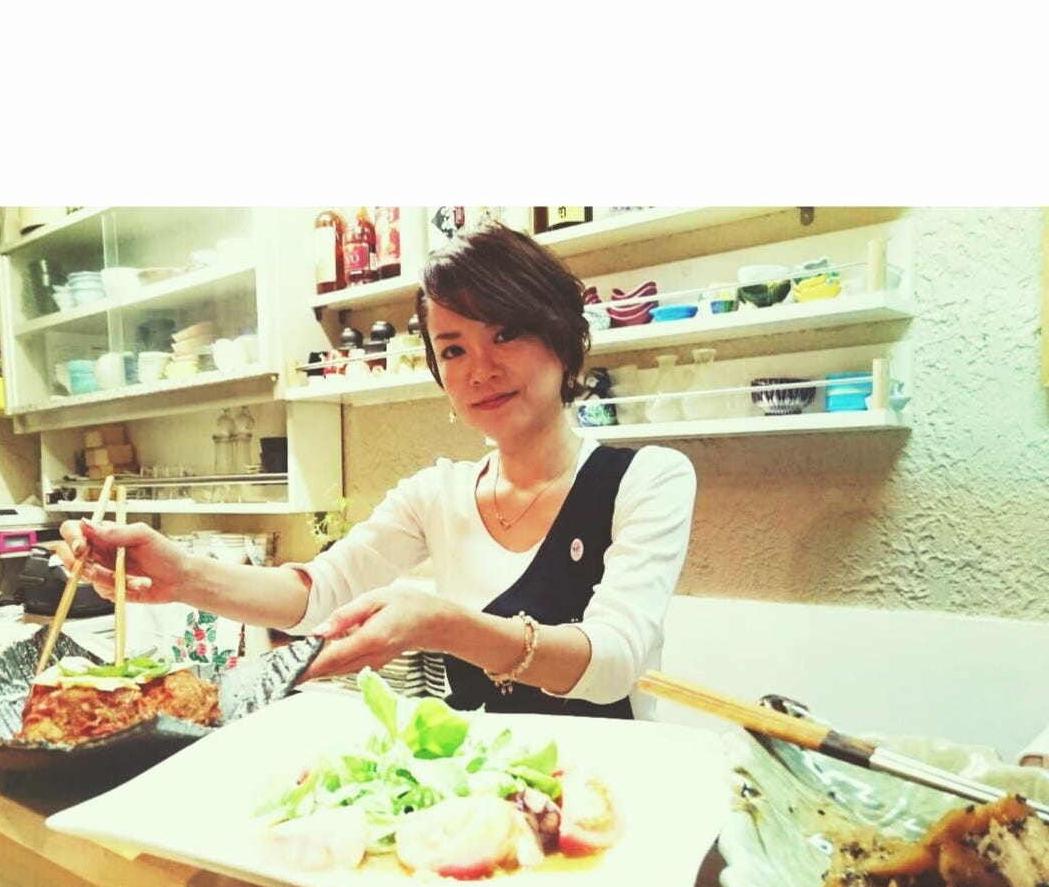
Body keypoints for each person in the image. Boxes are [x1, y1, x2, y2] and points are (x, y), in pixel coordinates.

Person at [57, 222, 696, 720]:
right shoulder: (435, 495)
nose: (480, 369)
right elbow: (317, 595)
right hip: (491, 786)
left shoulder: (646, 480)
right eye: (453, 349)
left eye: (505, 335)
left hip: (608, 793)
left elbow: (614, 662)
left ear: (560, 337)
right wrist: (183, 575)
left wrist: (441, 624)